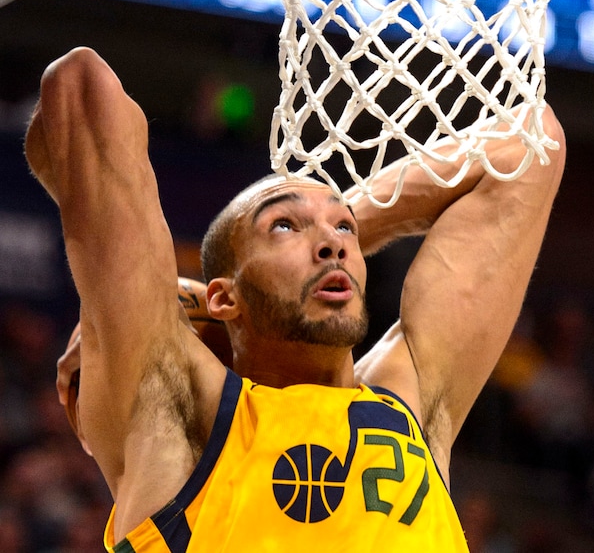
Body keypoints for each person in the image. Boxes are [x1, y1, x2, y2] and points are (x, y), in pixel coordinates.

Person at [25, 46, 565, 552]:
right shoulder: (179, 411)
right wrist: (173, 297)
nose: (333, 243)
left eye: (342, 231)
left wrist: (334, 229)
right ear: (226, 298)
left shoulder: (414, 403)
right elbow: (81, 89)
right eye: (282, 226)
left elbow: (531, 143)